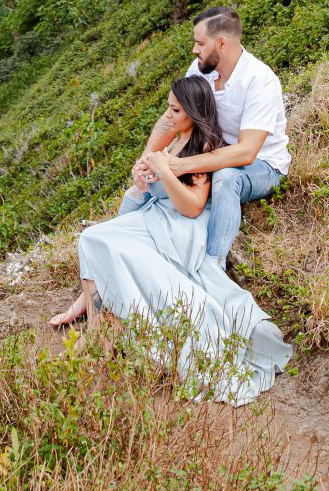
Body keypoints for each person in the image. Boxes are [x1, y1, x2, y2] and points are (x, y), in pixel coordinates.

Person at [49, 74, 292, 405]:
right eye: (169, 108)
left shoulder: (204, 146)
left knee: (101, 242)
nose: (169, 116)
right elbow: (147, 189)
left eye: (175, 110)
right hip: (155, 216)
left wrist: (164, 172)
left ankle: (103, 333)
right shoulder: (174, 140)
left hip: (180, 227)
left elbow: (192, 207)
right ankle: (101, 325)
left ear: (193, 111)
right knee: (92, 238)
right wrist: (142, 178)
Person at [133, 7, 289, 268]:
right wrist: (146, 159)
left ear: (221, 43)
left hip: (263, 165)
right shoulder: (199, 69)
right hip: (212, 153)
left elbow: (246, 152)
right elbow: (172, 116)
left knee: (226, 177)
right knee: (154, 175)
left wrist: (182, 165)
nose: (195, 50)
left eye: (200, 43)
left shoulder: (260, 80)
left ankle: (213, 265)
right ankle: (131, 248)